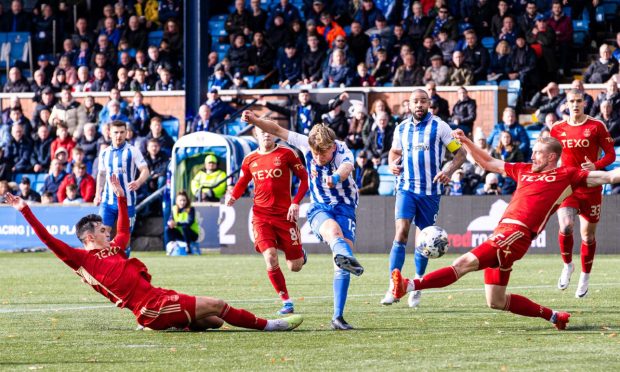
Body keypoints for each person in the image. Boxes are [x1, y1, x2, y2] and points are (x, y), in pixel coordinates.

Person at [4, 175, 303, 332]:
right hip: (150, 307)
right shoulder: (81, 259)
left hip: (157, 296)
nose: (108, 231)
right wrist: (24, 209)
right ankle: (269, 325)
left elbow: (124, 231)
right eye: (102, 229)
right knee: (218, 303)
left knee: (214, 321)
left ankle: (175, 324)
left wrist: (121, 197)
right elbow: (46, 238)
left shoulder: (113, 249)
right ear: (90, 235)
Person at [391, 130, 620, 330]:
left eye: (538, 152)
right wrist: (467, 142)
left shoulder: (566, 175)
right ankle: (554, 316)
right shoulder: (524, 169)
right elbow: (489, 163)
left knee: (462, 264)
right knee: (496, 301)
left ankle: (409, 285)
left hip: (517, 234)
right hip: (503, 233)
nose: (532, 156)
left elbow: (609, 176)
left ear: (551, 156)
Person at [242, 110, 363, 331]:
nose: (318, 158)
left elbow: (346, 168)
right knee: (335, 236)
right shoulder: (306, 143)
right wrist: (255, 120)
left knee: (342, 258)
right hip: (319, 208)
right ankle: (341, 253)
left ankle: (338, 317)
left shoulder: (342, 149)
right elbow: (277, 129)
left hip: (346, 208)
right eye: (315, 154)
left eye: (323, 154)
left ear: (332, 146)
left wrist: (335, 177)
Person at [381, 89, 465, 308]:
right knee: (401, 233)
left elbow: (460, 154)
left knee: (423, 241)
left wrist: (448, 170)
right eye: (415, 102)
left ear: (429, 104)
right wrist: (391, 164)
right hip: (406, 188)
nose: (419, 105)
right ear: (409, 105)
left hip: (430, 191)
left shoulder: (440, 127)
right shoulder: (401, 128)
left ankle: (416, 284)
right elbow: (394, 152)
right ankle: (393, 285)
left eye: (423, 101)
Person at [227, 126, 309, 315]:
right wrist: (233, 196)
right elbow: (242, 182)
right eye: (261, 130)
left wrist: (295, 202)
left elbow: (304, 179)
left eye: (268, 130)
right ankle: (286, 301)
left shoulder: (287, 153)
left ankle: (298, 252)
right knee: (270, 256)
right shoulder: (250, 159)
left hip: (285, 216)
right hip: (261, 216)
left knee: (294, 266)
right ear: (256, 134)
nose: (266, 133)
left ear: (274, 133)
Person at [550, 89, 616, 298]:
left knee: (587, 236)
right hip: (568, 186)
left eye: (579, 101)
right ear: (566, 104)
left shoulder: (596, 126)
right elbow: (551, 156)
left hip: (592, 185)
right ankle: (568, 265)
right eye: (572, 101)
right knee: (566, 226)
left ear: (584, 103)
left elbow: (611, 155)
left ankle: (585, 276)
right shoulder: (557, 128)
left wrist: (595, 165)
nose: (575, 104)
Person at [94, 120, 149, 257]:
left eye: (122, 132)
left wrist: (138, 181)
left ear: (126, 133)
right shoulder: (104, 153)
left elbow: (145, 170)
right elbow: (101, 174)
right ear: (109, 133)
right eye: (116, 132)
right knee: (102, 233)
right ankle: (105, 264)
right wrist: (97, 194)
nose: (119, 135)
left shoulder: (133, 151)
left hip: (127, 202)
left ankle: (123, 263)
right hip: (108, 202)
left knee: (125, 238)